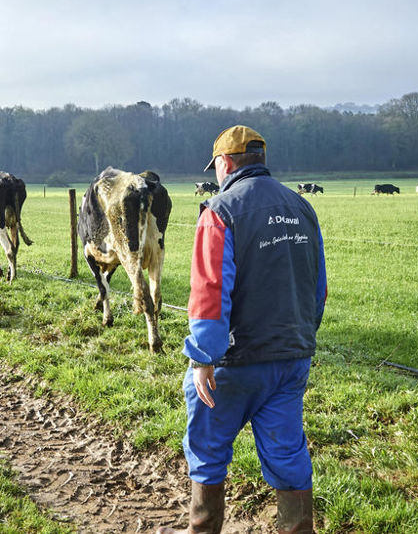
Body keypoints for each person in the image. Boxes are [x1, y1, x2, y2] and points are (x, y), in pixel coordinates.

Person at [157, 125, 327, 534]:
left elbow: (210, 292)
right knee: (288, 458)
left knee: (208, 453)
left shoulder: (220, 211)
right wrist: (299, 339)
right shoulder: (303, 208)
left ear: (224, 163)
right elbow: (317, 288)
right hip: (291, 360)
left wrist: (203, 357)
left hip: (234, 363)